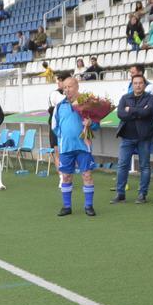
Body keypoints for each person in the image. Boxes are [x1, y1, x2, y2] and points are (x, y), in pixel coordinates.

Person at [52, 75, 97, 217]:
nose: (67, 90)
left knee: (87, 175)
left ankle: (88, 206)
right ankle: (67, 207)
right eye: (64, 87)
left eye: (69, 86)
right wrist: (64, 135)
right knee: (66, 176)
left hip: (83, 146)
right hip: (66, 147)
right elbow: (54, 125)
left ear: (77, 86)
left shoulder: (87, 103)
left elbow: (96, 125)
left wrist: (91, 124)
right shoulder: (59, 106)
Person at [113, 74, 153, 204]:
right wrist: (138, 112)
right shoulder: (125, 98)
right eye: (135, 83)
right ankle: (120, 194)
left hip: (144, 137)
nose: (138, 85)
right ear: (132, 85)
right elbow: (120, 113)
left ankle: (142, 194)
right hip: (127, 137)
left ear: (144, 84)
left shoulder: (151, 98)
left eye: (140, 83)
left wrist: (130, 110)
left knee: (145, 166)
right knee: (122, 166)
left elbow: (147, 113)